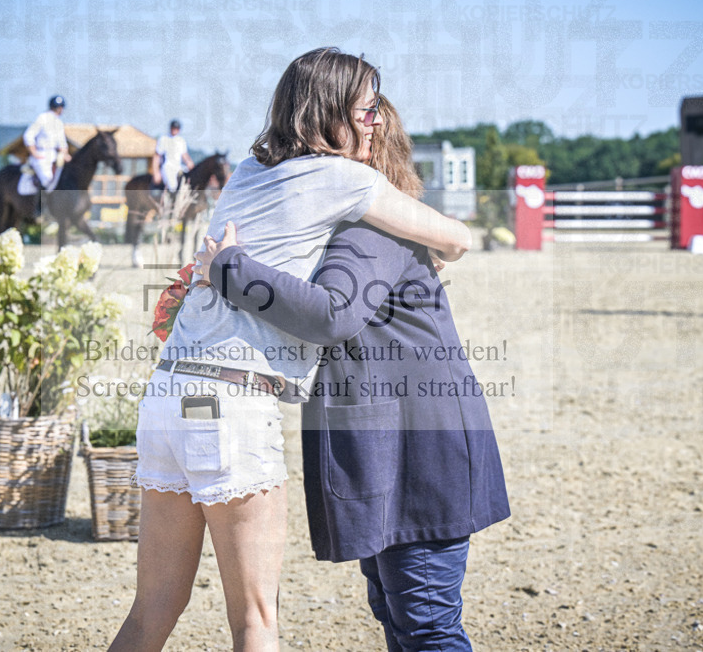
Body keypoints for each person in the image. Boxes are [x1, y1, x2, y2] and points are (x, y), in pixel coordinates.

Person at [108, 48, 472, 652]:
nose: (375, 121)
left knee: (151, 612)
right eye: (366, 109)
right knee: (256, 621)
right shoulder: (348, 179)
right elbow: (458, 239)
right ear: (330, 112)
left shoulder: (250, 172)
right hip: (232, 400)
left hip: (169, 394)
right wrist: (413, 237)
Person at [196, 96, 510, 651]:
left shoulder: (368, 234)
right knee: (402, 615)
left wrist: (229, 268)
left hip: (416, 456)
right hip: (397, 449)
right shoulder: (360, 231)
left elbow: (331, 314)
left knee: (425, 623)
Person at [23, 95, 71, 195]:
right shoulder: (42, 118)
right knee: (47, 180)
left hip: (55, 155)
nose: (61, 110)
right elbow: (28, 135)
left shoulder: (58, 122)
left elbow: (62, 143)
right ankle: (41, 206)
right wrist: (34, 152)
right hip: (42, 155)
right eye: (60, 107)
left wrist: (65, 154)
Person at [151, 119, 194, 197]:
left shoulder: (181, 140)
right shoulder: (163, 139)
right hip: (167, 167)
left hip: (178, 166)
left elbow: (184, 155)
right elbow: (157, 156)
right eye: (173, 128)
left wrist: (190, 163)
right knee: (172, 186)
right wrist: (156, 172)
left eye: (176, 128)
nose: (175, 130)